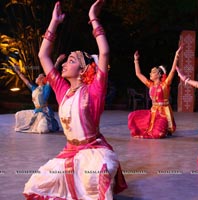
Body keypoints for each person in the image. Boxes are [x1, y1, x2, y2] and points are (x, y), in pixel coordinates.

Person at [23, 1, 127, 199]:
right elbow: (43, 55)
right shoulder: (62, 91)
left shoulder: (94, 91)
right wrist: (54, 23)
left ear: (83, 70)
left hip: (94, 151)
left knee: (93, 179)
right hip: (69, 153)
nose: (64, 64)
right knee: (36, 184)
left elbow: (104, 52)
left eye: (71, 61)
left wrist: (93, 18)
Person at [128, 46, 182, 139]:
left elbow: (173, 70)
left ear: (159, 74)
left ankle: (165, 128)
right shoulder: (151, 85)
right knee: (132, 117)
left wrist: (176, 56)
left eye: (152, 72)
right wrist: (136, 60)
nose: (150, 74)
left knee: (158, 134)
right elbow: (138, 74)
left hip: (163, 114)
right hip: (153, 113)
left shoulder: (165, 84)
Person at [12, 64, 59, 133]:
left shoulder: (46, 88)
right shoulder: (34, 89)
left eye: (39, 77)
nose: (36, 78)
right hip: (36, 112)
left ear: (43, 79)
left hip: (44, 113)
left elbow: (52, 74)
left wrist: (58, 61)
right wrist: (17, 71)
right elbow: (25, 80)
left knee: (42, 130)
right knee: (18, 114)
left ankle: (47, 124)